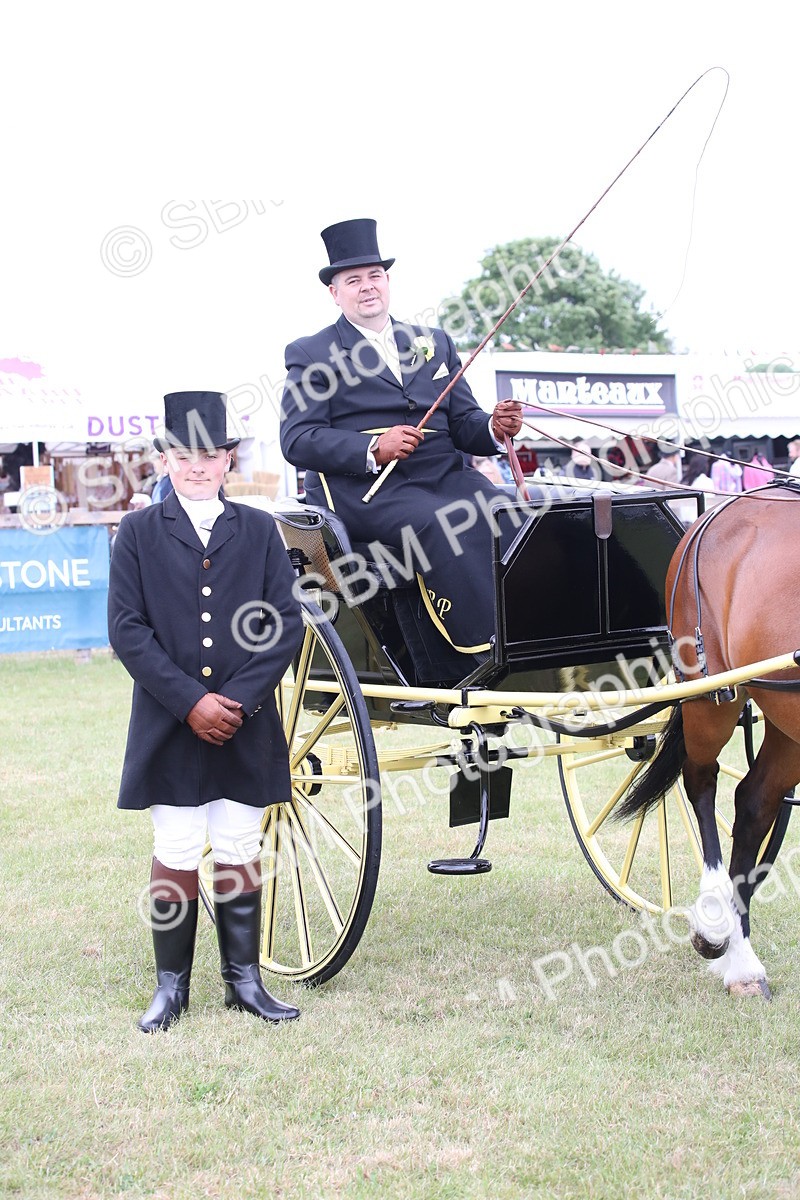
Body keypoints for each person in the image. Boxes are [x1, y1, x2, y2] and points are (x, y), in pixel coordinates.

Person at [108, 391, 304, 1033]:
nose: (197, 466)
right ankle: (172, 986)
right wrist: (190, 701)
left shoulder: (257, 528)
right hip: (171, 719)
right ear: (166, 459)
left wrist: (239, 701)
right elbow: (127, 630)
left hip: (243, 719)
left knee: (241, 842)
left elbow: (284, 624)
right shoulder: (137, 532)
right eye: (183, 454)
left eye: (210, 455)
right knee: (178, 843)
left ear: (228, 460)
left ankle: (244, 982)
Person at [279, 218, 523, 656]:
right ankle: (482, 647)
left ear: (387, 281)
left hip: (447, 478)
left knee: (508, 510)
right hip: (371, 492)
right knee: (443, 522)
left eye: (375, 276)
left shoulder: (434, 341)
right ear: (334, 292)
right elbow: (297, 439)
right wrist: (372, 448)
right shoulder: (311, 353)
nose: (367, 286)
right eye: (353, 280)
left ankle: (529, 629)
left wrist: (493, 427)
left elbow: (464, 420)